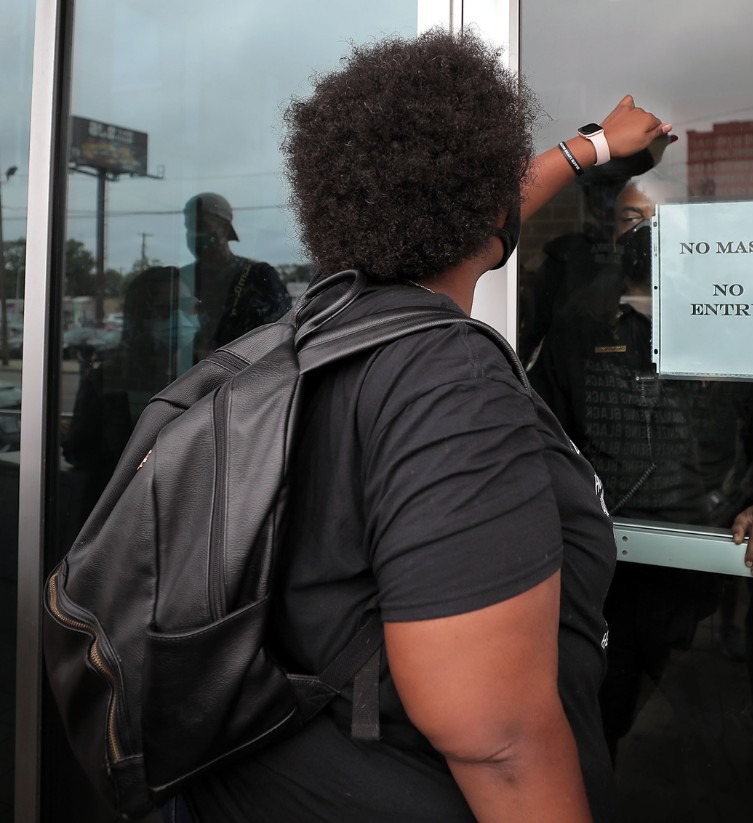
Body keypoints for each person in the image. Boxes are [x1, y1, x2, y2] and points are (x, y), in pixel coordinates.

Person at [177, 29, 672, 823]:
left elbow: (474, 212)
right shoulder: (452, 385)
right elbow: (501, 744)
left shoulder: (319, 329)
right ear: (486, 205)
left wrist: (592, 148)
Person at [527, 172, 753, 764]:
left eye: (661, 222)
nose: (646, 235)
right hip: (605, 566)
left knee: (696, 721)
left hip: (701, 553)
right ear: (612, 234)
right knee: (600, 719)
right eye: (631, 221)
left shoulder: (734, 317)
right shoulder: (580, 324)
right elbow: (540, 429)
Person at [63, 265, 200, 513]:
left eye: (188, 304)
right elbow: (79, 450)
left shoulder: (211, 373)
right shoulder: (109, 378)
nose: (180, 317)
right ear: (140, 317)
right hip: (121, 516)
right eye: (165, 309)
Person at [181, 191, 292, 360]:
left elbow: (280, 341)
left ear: (225, 229)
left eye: (201, 227)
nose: (195, 235)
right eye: (190, 228)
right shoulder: (183, 279)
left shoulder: (259, 276)